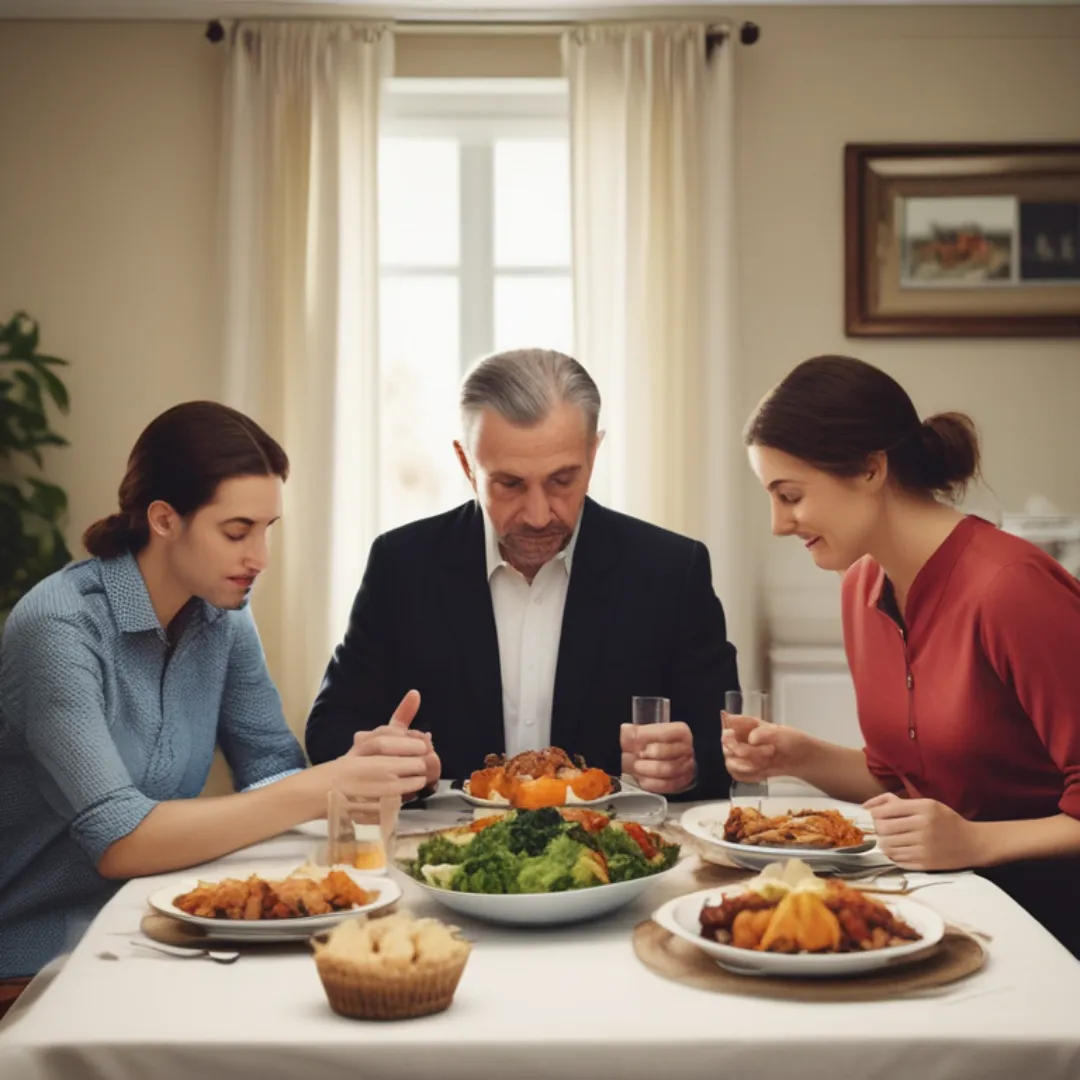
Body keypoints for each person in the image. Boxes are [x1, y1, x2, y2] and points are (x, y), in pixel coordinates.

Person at [0, 401, 436, 993]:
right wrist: (322, 785)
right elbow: (120, 842)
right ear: (163, 519)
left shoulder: (222, 616)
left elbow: (272, 771)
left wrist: (371, 772)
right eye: (236, 531)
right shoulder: (57, 628)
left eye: (266, 530)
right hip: (43, 953)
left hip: (159, 922)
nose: (259, 558)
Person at [724, 354, 1080, 956]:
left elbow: (962, 829)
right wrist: (800, 755)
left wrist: (977, 843)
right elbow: (905, 783)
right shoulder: (861, 587)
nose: (779, 523)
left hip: (1048, 924)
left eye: (790, 495)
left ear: (869, 470)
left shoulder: (1010, 588)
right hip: (939, 907)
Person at [306, 349, 739, 798]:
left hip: (620, 856)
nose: (536, 516)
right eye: (509, 484)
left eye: (562, 481)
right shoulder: (400, 565)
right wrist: (389, 758)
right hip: (442, 854)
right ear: (465, 463)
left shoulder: (672, 570)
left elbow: (724, 746)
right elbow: (329, 728)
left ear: (593, 454)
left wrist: (688, 765)